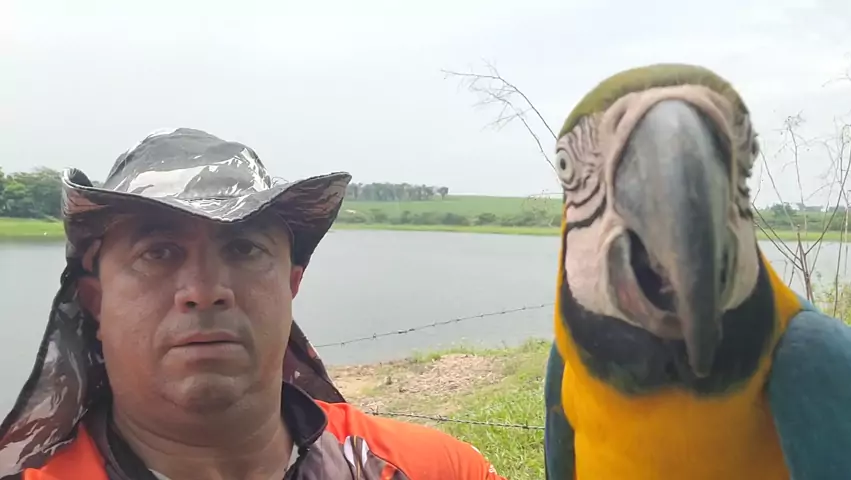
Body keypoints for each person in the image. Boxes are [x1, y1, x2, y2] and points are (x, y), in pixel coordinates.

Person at [0, 128, 506, 480]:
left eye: (244, 249)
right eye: (158, 253)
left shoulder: (430, 469)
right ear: (95, 302)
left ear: (291, 284)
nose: (204, 290)